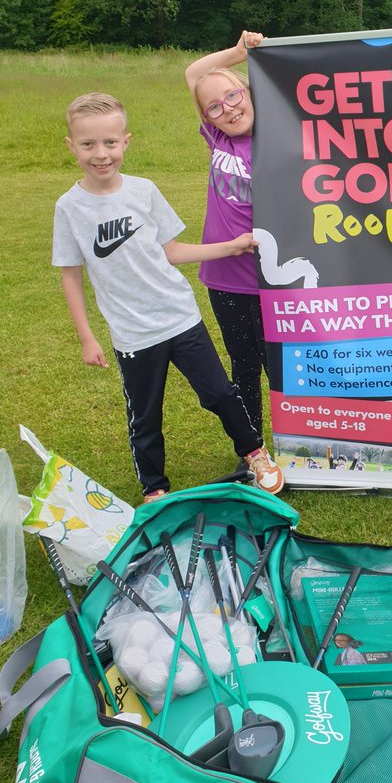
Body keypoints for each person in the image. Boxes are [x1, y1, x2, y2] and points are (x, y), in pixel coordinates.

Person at [52, 92, 284, 504]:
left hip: (180, 317)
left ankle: (254, 453)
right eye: (88, 144)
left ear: (126, 141)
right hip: (133, 334)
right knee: (145, 416)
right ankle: (154, 488)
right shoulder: (69, 208)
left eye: (109, 142)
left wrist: (229, 246)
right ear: (72, 146)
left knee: (220, 394)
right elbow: (71, 275)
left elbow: (172, 251)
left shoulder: (144, 190)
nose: (100, 154)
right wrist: (86, 336)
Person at [184, 31, 271, 477]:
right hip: (226, 278)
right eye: (214, 107)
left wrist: (246, 61)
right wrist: (237, 53)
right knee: (244, 365)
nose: (228, 109)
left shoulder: (279, 135)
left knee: (281, 365)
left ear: (250, 93)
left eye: (233, 96)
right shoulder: (219, 141)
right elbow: (194, 74)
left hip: (277, 279)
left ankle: (299, 442)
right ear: (207, 118)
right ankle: (253, 451)